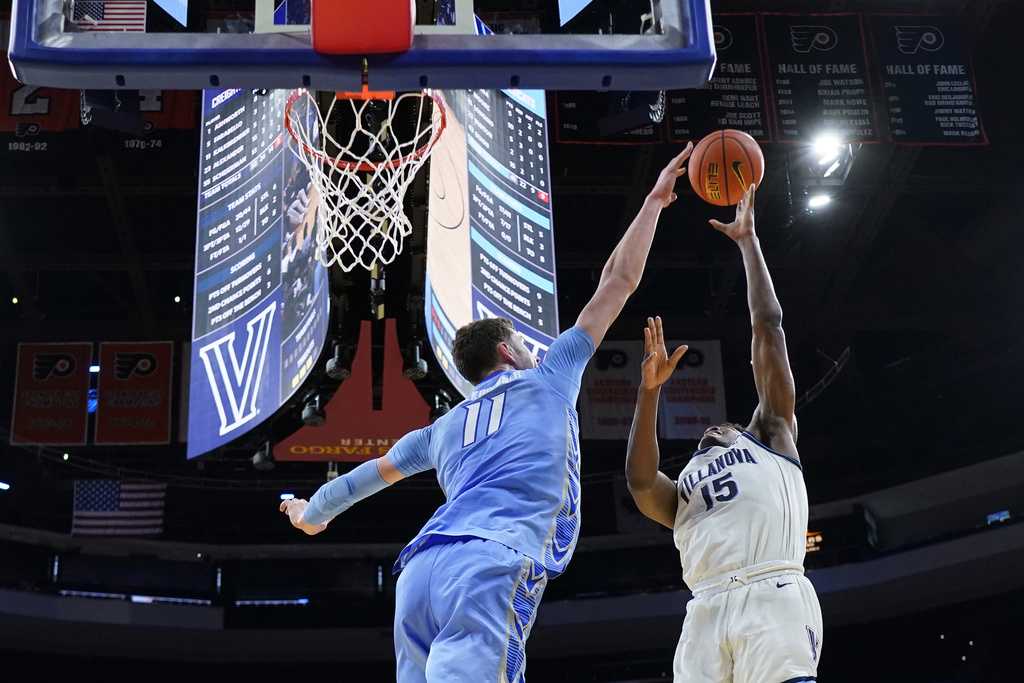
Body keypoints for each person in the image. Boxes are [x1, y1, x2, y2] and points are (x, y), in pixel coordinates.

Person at [279, 144, 695, 682]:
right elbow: (618, 282)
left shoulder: (440, 428)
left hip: (421, 574)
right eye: (523, 341)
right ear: (507, 352)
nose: (531, 347)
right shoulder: (548, 377)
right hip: (487, 564)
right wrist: (654, 203)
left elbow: (364, 479)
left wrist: (312, 514)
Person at [625, 185, 823, 683]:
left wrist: (749, 243)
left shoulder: (770, 435)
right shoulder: (685, 489)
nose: (708, 429)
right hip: (705, 609)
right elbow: (641, 484)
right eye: (699, 437)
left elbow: (768, 330)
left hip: (770, 592)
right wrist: (648, 394)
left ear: (745, 427)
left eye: (722, 425)